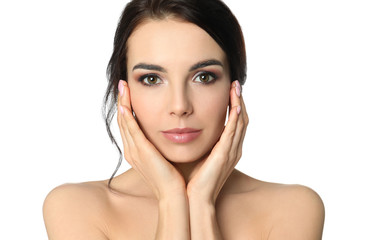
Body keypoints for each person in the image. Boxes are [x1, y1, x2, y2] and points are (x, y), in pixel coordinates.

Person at [43, 0, 325, 239]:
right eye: (152, 79)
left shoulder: (293, 208)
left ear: (233, 87)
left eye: (204, 77)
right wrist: (171, 199)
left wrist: (202, 204)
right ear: (124, 91)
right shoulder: (75, 207)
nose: (179, 106)